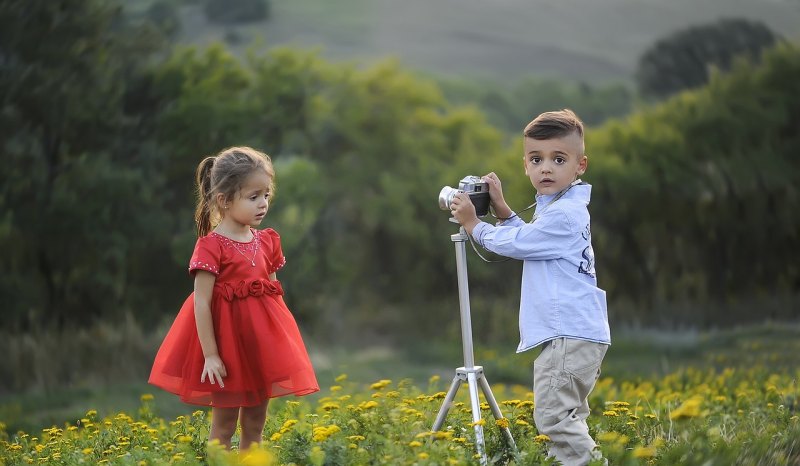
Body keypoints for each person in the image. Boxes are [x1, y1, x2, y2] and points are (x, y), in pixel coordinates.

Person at [449, 109, 610, 466]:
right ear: (525, 165)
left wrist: (474, 224)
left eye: (558, 159)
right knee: (565, 419)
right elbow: (530, 239)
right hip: (576, 333)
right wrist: (503, 210)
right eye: (536, 159)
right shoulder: (560, 208)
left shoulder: (564, 214)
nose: (546, 168)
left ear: (580, 165)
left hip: (568, 333)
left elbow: (516, 244)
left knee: (554, 420)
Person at [149, 146, 319, 450]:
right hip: (227, 352)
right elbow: (201, 303)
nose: (263, 203)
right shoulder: (211, 246)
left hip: (258, 349)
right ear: (224, 200)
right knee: (224, 427)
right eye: (253, 197)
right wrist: (212, 355)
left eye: (266, 195)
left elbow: (274, 296)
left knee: (255, 423)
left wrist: (280, 345)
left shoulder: (267, 241)